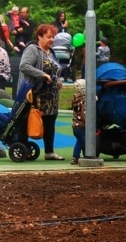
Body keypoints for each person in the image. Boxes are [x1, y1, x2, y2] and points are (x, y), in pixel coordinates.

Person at [17, 23, 65, 161]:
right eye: (48, 37)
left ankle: (49, 152)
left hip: (51, 96)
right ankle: (23, 148)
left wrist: (58, 81)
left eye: (53, 37)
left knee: (50, 122)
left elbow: (56, 70)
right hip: (36, 93)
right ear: (39, 36)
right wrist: (41, 74)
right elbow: (24, 66)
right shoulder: (33, 49)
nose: (52, 40)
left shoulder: (52, 52)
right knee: (28, 120)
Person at [70, 78, 86, 165]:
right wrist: (88, 122)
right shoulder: (84, 100)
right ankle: (86, 155)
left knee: (79, 141)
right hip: (82, 125)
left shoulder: (75, 98)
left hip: (75, 125)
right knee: (85, 141)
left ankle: (75, 157)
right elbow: (84, 113)